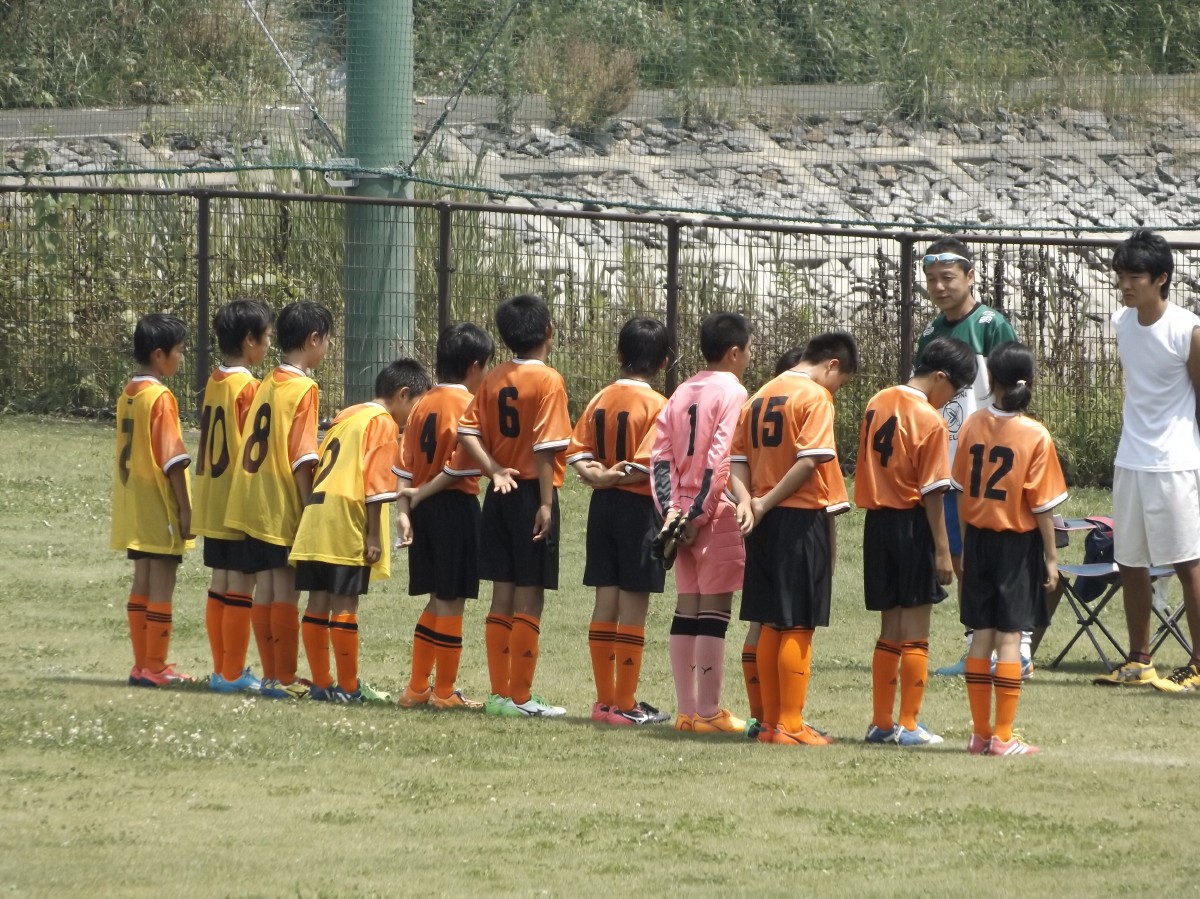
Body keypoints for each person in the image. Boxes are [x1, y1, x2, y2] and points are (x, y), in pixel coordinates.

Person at [730, 332, 857, 746]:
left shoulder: (759, 396)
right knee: (798, 623)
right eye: (841, 381)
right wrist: (764, 502)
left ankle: (769, 723)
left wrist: (748, 502)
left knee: (770, 621)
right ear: (832, 364)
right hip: (799, 519)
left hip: (762, 522)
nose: (836, 389)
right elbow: (809, 462)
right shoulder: (815, 397)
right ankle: (790, 725)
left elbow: (736, 461)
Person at [914, 236, 1028, 678]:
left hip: (991, 465)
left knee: (998, 555)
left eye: (947, 277)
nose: (939, 287)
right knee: (962, 559)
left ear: (971, 276)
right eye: (931, 280)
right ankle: (975, 644)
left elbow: (1014, 387)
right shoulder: (931, 332)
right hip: (947, 464)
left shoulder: (990, 325)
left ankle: (1017, 646)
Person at [855, 336, 978, 746]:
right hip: (912, 525)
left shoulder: (878, 401)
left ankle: (881, 723)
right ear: (940, 376)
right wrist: (943, 550)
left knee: (890, 628)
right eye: (955, 390)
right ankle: (908, 725)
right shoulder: (930, 419)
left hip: (877, 525)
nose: (952, 399)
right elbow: (933, 494)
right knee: (916, 632)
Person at [457, 295, 573, 717]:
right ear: (548, 331)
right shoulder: (549, 381)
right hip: (530, 494)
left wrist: (492, 469)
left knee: (501, 593)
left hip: (499, 493)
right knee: (530, 594)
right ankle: (521, 697)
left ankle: (499, 694)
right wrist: (546, 503)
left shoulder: (493, 377)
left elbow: (466, 430)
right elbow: (545, 448)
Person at [1094, 229, 1200, 692]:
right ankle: (1139, 660)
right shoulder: (1121, 322)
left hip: (1176, 463)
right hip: (1130, 460)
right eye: (1121, 276)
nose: (1125, 285)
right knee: (1129, 561)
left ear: (1161, 279)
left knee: (1188, 562)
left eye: (1134, 277)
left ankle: (1198, 664)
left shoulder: (1188, 329)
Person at [290, 359, 431, 703]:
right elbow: (376, 484)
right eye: (417, 404)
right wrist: (372, 534)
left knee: (317, 600)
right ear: (403, 394)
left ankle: (322, 683)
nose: (415, 415)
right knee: (344, 602)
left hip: (317, 513)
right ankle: (349, 687)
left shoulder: (347, 415)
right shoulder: (382, 422)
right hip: (346, 516)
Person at [951, 342, 1066, 756]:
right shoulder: (1035, 434)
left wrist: (964, 545)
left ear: (991, 380)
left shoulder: (972, 425)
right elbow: (1041, 506)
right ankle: (1002, 736)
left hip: (978, 540)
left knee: (981, 636)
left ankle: (980, 734)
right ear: (1030, 381)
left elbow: (961, 492)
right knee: (1010, 637)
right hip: (1016, 546)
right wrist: (1051, 557)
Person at [651, 311, 755, 735]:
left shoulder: (680, 391)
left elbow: (660, 458)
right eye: (749, 350)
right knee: (714, 611)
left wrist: (673, 513)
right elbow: (720, 456)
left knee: (686, 608)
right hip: (715, 511)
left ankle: (686, 712)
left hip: (679, 515)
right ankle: (709, 712)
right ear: (734, 352)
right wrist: (699, 513)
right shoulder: (733, 391)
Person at [567, 317, 672, 726]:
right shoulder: (659, 405)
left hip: (603, 509)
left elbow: (578, 452)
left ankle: (604, 702)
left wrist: (597, 477)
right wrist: (614, 477)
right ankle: (625, 704)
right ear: (663, 362)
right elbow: (647, 465)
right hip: (637, 509)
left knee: (605, 600)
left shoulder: (601, 397)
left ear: (619, 355)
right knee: (633, 605)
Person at [224, 300, 332, 700]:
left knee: (266, 589)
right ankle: (285, 677)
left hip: (252, 496)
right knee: (285, 590)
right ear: (314, 339)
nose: (328, 348)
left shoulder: (267, 380)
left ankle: (272, 677)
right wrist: (308, 509)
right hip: (281, 500)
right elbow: (303, 456)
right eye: (328, 341)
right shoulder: (305, 388)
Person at [395, 323, 495, 711]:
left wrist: (404, 512)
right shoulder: (467, 404)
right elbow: (459, 467)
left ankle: (417, 687)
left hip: (422, 510)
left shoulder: (421, 404)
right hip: (453, 507)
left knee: (437, 599)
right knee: (452, 601)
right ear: (475, 366)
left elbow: (403, 467)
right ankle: (445, 691)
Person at [192, 299, 274, 694]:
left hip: (212, 492)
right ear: (249, 340)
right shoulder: (250, 388)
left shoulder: (214, 380)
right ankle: (232, 671)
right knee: (241, 582)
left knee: (221, 580)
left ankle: (221, 670)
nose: (269, 344)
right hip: (237, 497)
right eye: (267, 337)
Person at [110, 312, 194, 687]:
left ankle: (141, 665)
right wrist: (186, 509)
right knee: (162, 580)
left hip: (134, 501)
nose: (182, 358)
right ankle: (155, 667)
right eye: (179, 351)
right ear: (159, 355)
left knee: (142, 578)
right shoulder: (160, 397)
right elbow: (173, 460)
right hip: (158, 502)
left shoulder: (128, 393)